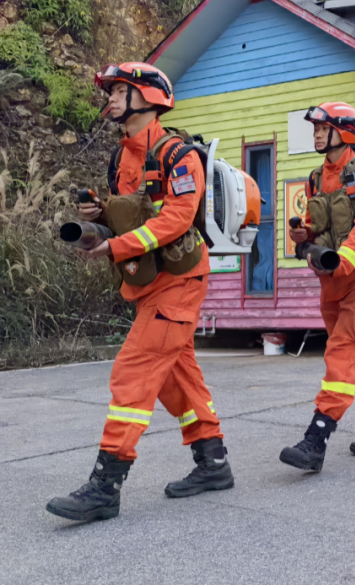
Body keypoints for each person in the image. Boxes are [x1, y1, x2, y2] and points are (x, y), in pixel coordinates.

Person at [47, 62, 233, 522]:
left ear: (147, 98)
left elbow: (175, 219)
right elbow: (133, 214)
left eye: (118, 90)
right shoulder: (121, 157)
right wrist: (102, 211)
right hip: (147, 284)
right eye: (109, 91)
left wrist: (116, 245)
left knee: (134, 372)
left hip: (179, 283)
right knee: (177, 377)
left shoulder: (178, 154)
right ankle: (213, 463)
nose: (109, 98)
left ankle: (106, 485)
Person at [280, 102, 355, 473]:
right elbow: (317, 224)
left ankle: (316, 438)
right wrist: (304, 233)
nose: (317, 134)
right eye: (316, 128)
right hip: (333, 279)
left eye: (324, 128)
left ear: (345, 132)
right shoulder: (317, 177)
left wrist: (343, 261)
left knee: (342, 351)